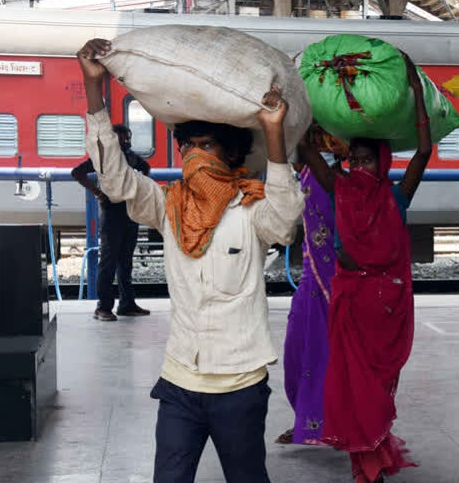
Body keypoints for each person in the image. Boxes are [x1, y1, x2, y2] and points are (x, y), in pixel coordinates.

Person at [76, 38, 304, 483]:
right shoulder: (167, 206)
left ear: (234, 153)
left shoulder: (253, 210)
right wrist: (94, 92)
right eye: (187, 146)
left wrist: (274, 132)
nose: (194, 156)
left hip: (239, 386)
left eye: (208, 146)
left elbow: (285, 219)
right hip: (179, 382)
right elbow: (116, 180)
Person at [299, 53, 429, 483]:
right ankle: (365, 461)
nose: (359, 166)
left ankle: (375, 447)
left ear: (384, 162)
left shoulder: (397, 196)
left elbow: (425, 150)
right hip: (352, 302)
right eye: (354, 159)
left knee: (379, 385)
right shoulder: (339, 189)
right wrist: (302, 106)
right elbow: (306, 153)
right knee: (354, 385)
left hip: (385, 308)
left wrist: (415, 91)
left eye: (368, 160)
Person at [277, 132, 344, 446]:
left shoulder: (327, 181)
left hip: (329, 285)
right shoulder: (303, 179)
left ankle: (325, 425)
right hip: (310, 282)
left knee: (321, 356)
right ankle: (308, 421)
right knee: (298, 356)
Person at [72, 123, 151, 321]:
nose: (125, 141)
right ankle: (103, 307)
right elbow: (77, 172)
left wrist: (138, 188)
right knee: (108, 261)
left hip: (130, 212)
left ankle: (126, 304)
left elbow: (146, 167)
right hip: (112, 214)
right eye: (122, 138)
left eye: (127, 137)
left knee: (125, 261)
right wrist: (98, 193)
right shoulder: (103, 158)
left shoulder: (130, 156)